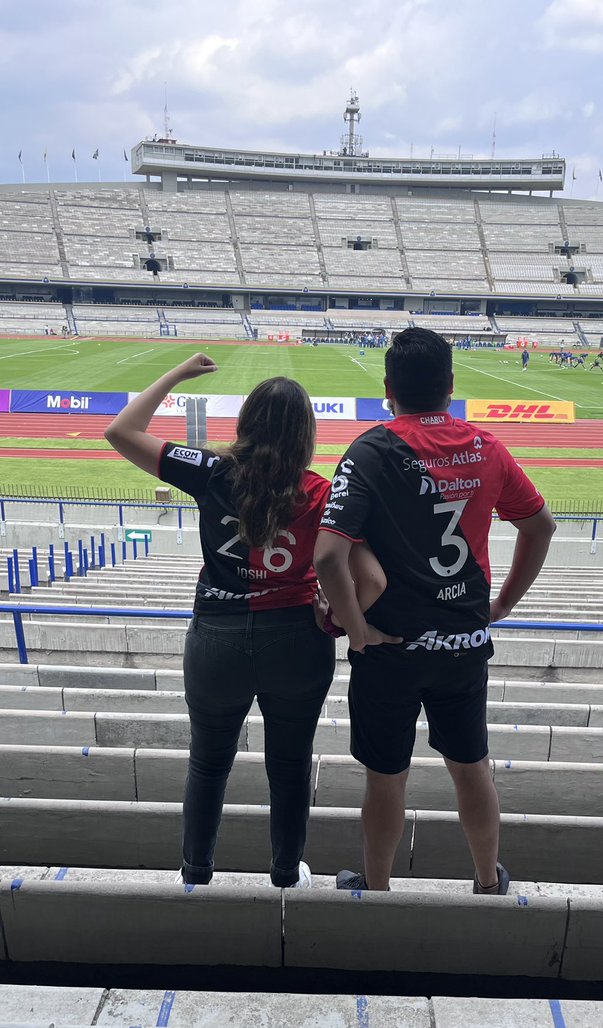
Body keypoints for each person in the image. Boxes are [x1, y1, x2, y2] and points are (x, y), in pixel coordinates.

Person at [314, 329, 556, 896]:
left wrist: (357, 632)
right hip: (463, 644)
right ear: (450, 387)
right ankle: (485, 880)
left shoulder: (370, 450)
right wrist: (500, 606)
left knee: (386, 778)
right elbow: (539, 526)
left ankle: (377, 890)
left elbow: (328, 554)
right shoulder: (487, 447)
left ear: (387, 389)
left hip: (391, 648)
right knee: (472, 767)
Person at [105, 355, 338, 890]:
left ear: (245, 424)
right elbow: (345, 561)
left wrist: (177, 374)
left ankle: (196, 875)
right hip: (297, 640)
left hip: (216, 639)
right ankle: (285, 875)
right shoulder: (323, 492)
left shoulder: (209, 471)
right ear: (306, 434)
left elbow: (121, 430)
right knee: (290, 767)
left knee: (208, 764)